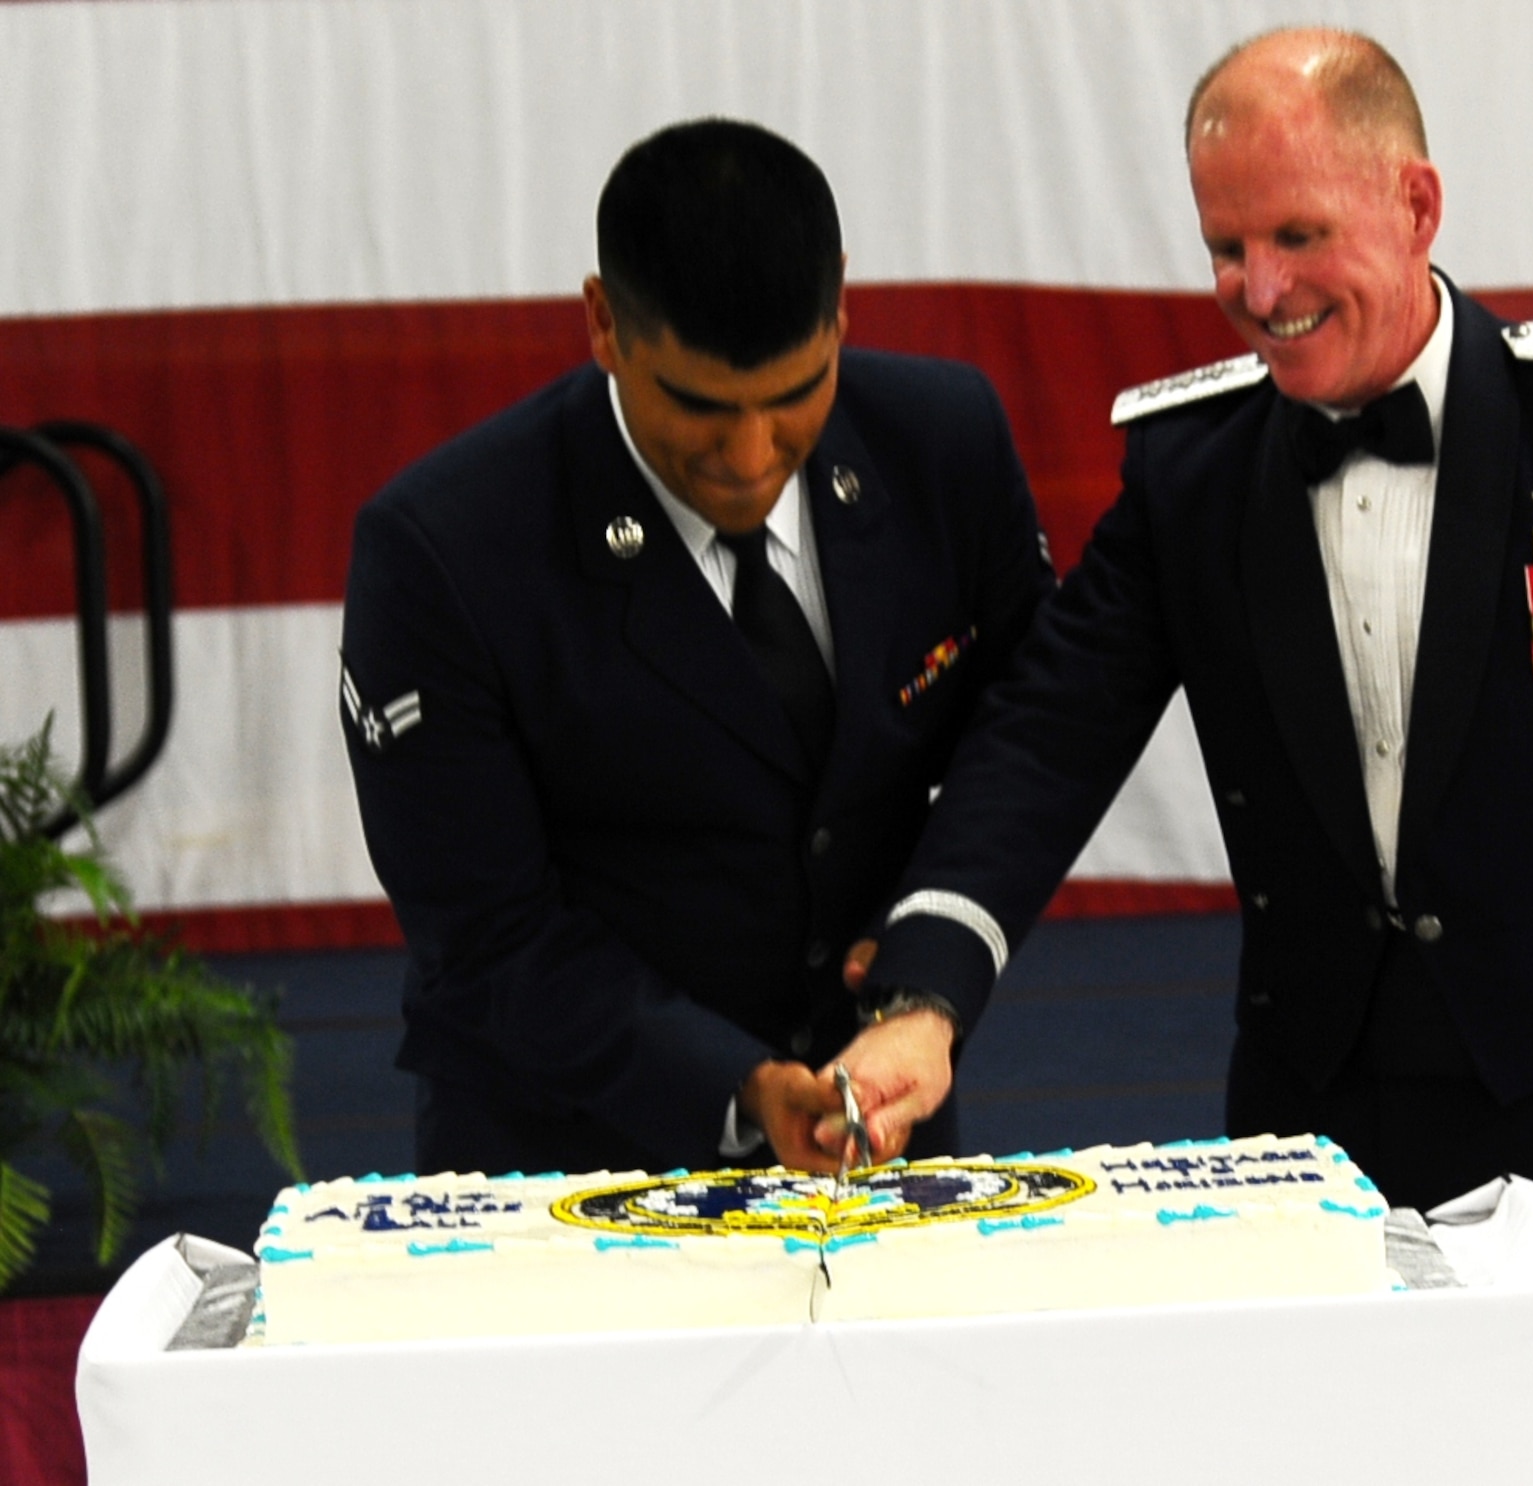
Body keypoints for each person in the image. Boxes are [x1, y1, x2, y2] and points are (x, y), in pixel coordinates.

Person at [856, 29, 1533, 1486]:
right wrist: (926, 995)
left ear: (1418, 206)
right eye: (1226, 246)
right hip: (1315, 1135)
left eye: (1299, 234)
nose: (1261, 292)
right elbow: (1043, 738)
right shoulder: (1193, 474)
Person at [339, 118, 1052, 1178]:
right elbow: (486, 933)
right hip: (568, 1155)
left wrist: (928, 975)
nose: (750, 454)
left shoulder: (942, 440)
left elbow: (1029, 735)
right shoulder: (445, 549)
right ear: (602, 323)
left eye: (796, 392)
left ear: (841, 303)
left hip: (881, 1127)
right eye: (699, 407)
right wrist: (736, 1085)